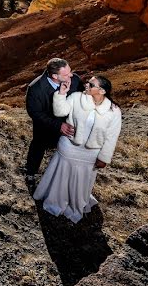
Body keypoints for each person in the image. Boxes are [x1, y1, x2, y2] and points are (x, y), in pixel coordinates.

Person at [33, 75, 122, 223]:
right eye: (87, 82)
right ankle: (55, 199)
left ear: (102, 91)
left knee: (83, 179)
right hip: (69, 147)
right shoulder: (75, 97)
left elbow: (112, 137)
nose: (86, 85)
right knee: (62, 175)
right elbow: (60, 112)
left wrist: (104, 157)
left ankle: (76, 202)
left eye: (91, 84)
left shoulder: (114, 111)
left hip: (91, 154)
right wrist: (62, 93)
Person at [24, 58, 84, 192]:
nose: (71, 75)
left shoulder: (75, 80)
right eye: (66, 74)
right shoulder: (35, 88)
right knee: (38, 147)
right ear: (55, 76)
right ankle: (30, 174)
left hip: (70, 125)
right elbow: (35, 113)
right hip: (45, 126)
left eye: (70, 71)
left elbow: (83, 98)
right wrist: (58, 125)